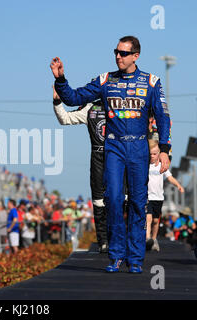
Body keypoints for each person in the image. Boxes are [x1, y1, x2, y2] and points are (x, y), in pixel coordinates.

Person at [51, 35, 171, 273]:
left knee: (138, 203)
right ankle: (116, 255)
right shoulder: (105, 80)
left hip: (138, 147)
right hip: (114, 147)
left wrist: (165, 150)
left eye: (123, 53)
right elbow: (74, 97)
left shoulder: (152, 82)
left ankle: (135, 259)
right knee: (114, 199)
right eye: (116, 52)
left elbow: (163, 117)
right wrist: (61, 79)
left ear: (135, 56)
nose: (118, 56)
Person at [53, 87, 108, 252]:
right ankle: (103, 241)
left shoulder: (121, 105)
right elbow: (65, 119)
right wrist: (57, 101)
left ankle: (121, 238)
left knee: (121, 200)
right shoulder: (90, 109)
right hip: (98, 158)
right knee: (98, 201)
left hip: (118, 159)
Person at [146, 139, 184, 252]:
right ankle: (147, 238)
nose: (152, 156)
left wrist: (178, 185)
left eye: (154, 154)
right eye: (150, 154)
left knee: (156, 221)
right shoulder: (145, 165)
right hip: (147, 196)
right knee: (148, 218)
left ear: (159, 154)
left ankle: (153, 239)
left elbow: (170, 177)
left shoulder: (162, 166)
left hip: (158, 197)